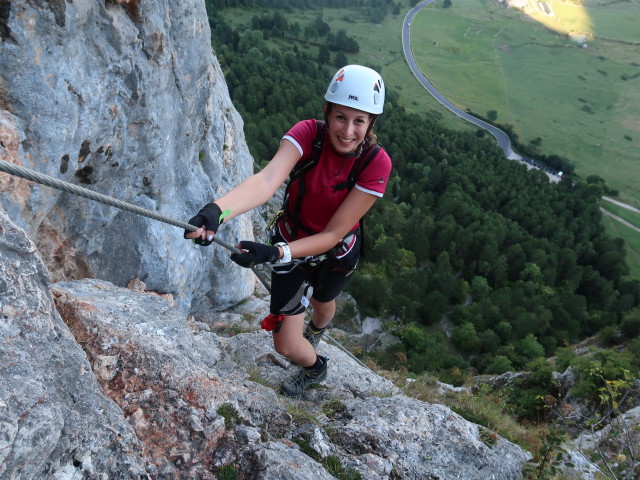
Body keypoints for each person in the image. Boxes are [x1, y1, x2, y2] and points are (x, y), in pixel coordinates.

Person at [185, 65, 392, 397]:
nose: (348, 131)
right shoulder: (309, 134)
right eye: (341, 117)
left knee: (324, 303)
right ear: (328, 112)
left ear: (370, 124)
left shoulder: (375, 163)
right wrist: (216, 211)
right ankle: (315, 367)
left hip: (334, 251)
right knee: (285, 345)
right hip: (291, 242)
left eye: (359, 121)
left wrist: (274, 253)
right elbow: (267, 181)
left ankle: (318, 329)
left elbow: (333, 233)